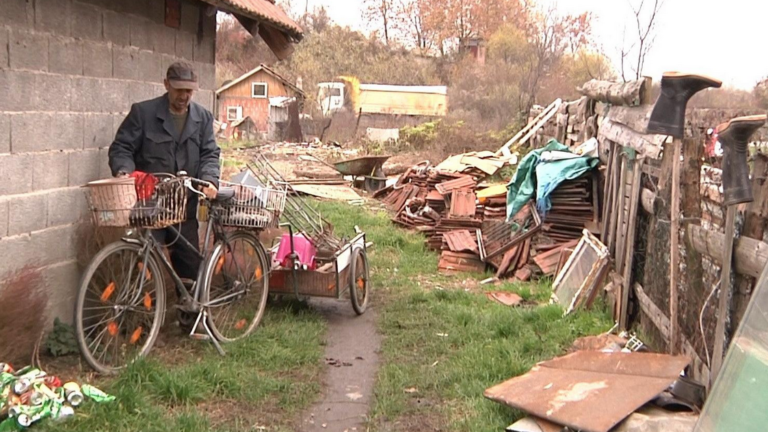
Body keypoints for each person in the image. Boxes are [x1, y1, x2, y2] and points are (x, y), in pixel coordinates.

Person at [108, 62, 221, 289]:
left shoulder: (203, 118)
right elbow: (121, 148)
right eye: (179, 89)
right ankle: (141, 316)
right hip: (150, 206)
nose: (184, 96)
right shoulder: (143, 113)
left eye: (189, 91)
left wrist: (209, 179)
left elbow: (210, 153)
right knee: (142, 266)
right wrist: (124, 173)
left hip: (183, 207)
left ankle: (191, 319)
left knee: (190, 274)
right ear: (166, 84)